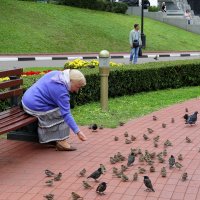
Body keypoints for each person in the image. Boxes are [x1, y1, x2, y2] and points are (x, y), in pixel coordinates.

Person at [22, 69, 87, 151]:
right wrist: (78, 132)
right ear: (70, 81)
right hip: (33, 106)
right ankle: (61, 141)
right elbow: (66, 114)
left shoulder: (57, 74)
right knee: (61, 113)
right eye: (77, 87)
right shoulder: (61, 91)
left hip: (26, 98)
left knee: (61, 109)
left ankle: (56, 138)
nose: (77, 91)